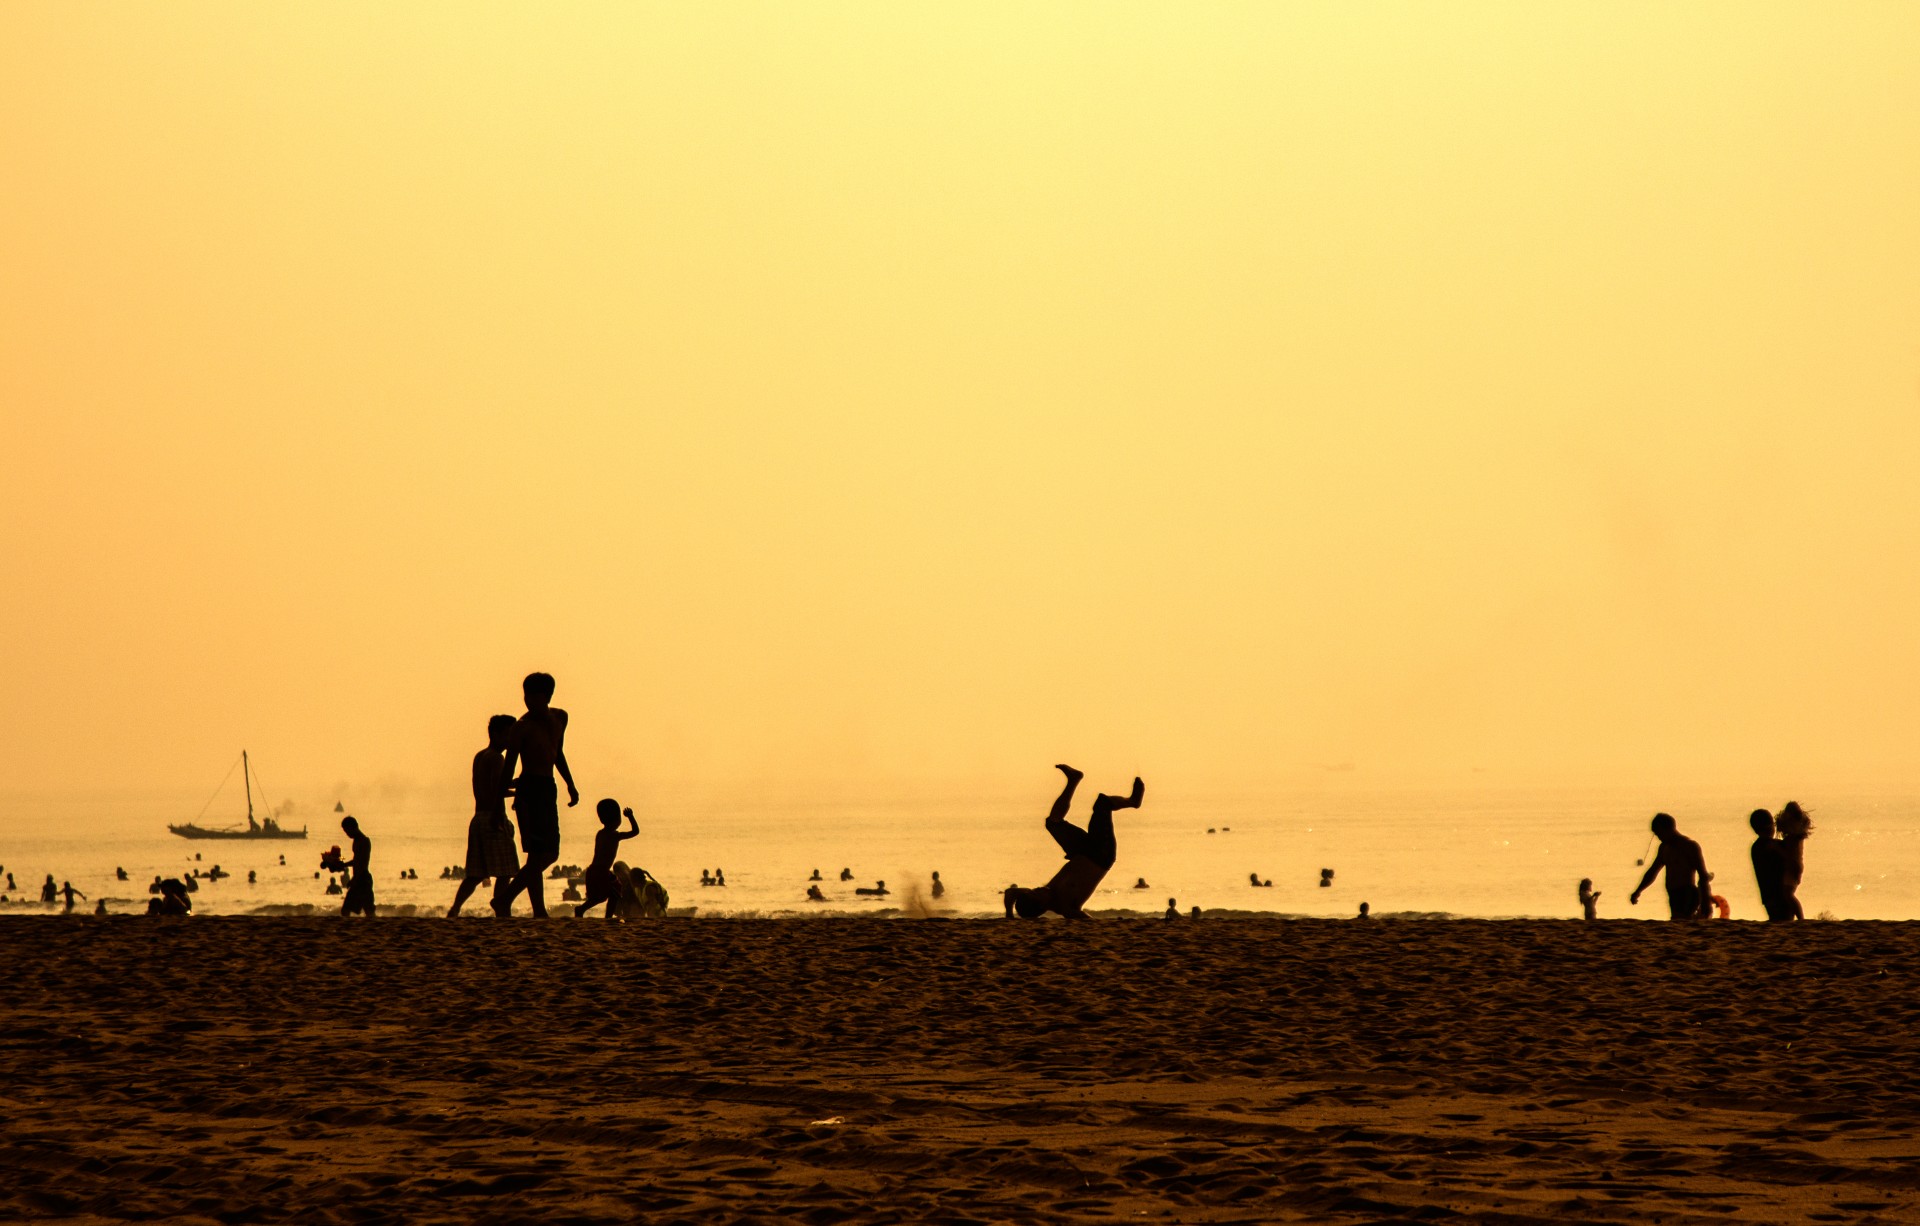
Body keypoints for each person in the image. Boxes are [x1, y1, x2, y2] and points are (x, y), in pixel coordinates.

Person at [1003, 765, 1144, 921]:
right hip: (1100, 855)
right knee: (1103, 804)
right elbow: (1086, 919)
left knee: (1053, 823)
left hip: (1080, 852)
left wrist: (1009, 915)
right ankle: (1133, 802)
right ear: (1041, 904)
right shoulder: (1066, 907)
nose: (1037, 888)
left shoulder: (1044, 892)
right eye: (1036, 892)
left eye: (1033, 890)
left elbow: (1011, 893)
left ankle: (1073, 780)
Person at [494, 672, 578, 918]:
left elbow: (557, 752)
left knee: (549, 853)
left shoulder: (560, 718)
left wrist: (570, 784)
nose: (527, 700)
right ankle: (528, 907)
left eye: (532, 695)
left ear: (547, 696)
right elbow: (509, 766)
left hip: (547, 786)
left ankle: (510, 901)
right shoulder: (521, 727)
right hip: (529, 789)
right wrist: (498, 802)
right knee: (537, 853)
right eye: (525, 695)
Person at [451, 714, 522, 918]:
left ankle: (455, 909)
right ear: (497, 734)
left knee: (475, 873)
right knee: (506, 871)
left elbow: (489, 785)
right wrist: (518, 793)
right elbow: (496, 791)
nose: (512, 739)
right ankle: (502, 909)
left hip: (478, 817)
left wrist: (512, 785)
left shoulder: (481, 755)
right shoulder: (497, 758)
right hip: (493, 817)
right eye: (509, 733)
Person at [1629, 813, 1712, 920]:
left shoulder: (1690, 846)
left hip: (1687, 893)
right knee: (1676, 922)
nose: (1657, 837)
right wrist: (1638, 891)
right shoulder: (1664, 847)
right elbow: (1653, 871)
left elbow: (1703, 875)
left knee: (1681, 921)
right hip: (1672, 893)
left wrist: (1706, 902)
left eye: (1658, 833)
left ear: (1668, 829)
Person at [576, 800, 639, 917]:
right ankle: (603, 916)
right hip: (600, 872)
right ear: (617, 820)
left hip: (595, 870)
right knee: (611, 895)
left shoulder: (600, 833)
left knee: (602, 896)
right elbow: (635, 832)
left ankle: (583, 910)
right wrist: (630, 817)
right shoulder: (615, 835)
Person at [1748, 810, 1792, 922]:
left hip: (1767, 896)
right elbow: (1788, 856)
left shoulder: (1756, 847)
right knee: (1785, 919)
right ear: (1769, 827)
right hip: (1779, 894)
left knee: (1776, 919)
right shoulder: (1772, 845)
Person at [1777, 801, 1813, 921]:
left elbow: (1792, 856)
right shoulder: (1795, 837)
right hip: (1794, 866)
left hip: (1794, 866)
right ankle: (1793, 917)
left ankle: (1800, 918)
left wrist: (1796, 872)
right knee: (1787, 894)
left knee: (1788, 894)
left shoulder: (1794, 839)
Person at [337, 816, 375, 917]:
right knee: (367, 910)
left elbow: (362, 862)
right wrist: (344, 864)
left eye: (347, 831)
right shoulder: (357, 841)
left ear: (354, 827)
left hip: (362, 879)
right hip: (360, 878)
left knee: (349, 910)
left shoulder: (364, 841)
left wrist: (354, 879)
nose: (347, 834)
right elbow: (356, 860)